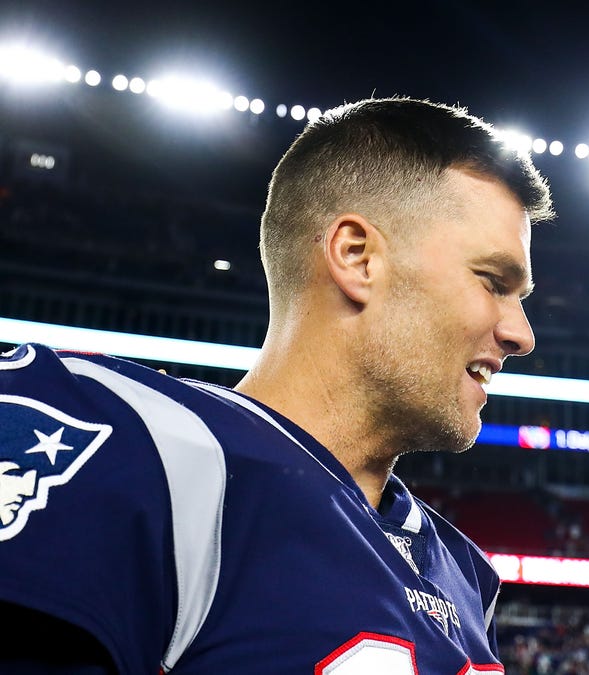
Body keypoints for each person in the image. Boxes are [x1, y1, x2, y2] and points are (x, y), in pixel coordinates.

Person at [0, 97, 553, 673]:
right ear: (357, 257)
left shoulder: (462, 573)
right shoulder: (141, 450)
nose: (521, 334)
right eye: (493, 281)